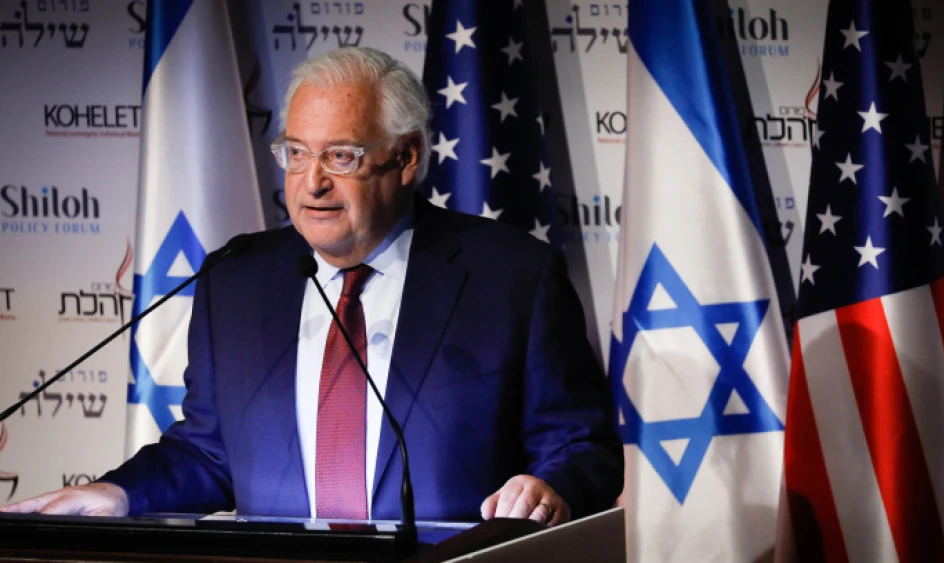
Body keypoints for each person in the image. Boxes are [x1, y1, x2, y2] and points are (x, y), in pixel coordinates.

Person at [0, 47, 622, 525]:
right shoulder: (236, 280)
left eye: (341, 156)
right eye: (296, 153)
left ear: (406, 157)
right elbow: (210, 453)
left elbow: (582, 445)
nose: (312, 182)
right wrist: (117, 493)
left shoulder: (511, 277)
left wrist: (551, 488)